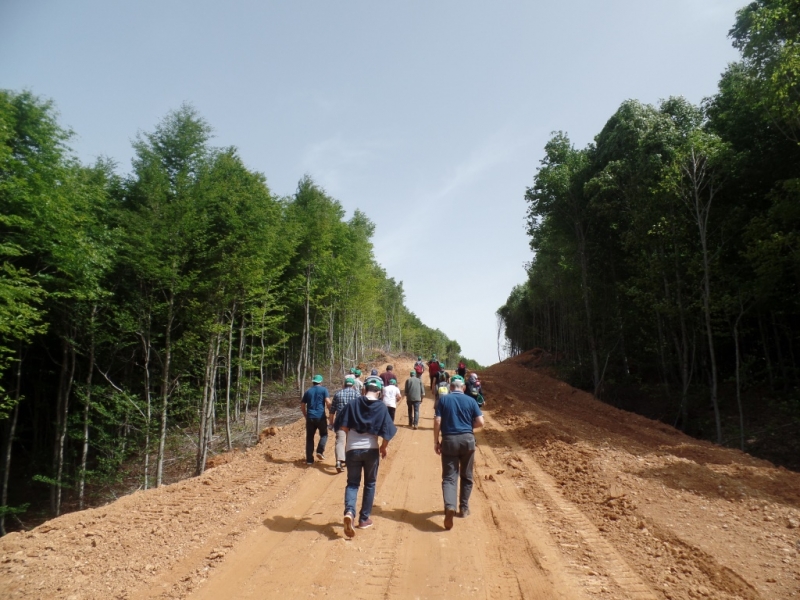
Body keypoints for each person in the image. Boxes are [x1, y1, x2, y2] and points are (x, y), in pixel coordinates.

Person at [334, 376, 397, 536]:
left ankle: (349, 512)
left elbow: (342, 426)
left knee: (353, 484)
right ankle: (364, 519)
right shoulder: (381, 407)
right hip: (371, 450)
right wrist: (384, 446)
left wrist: (352, 433)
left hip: (352, 449)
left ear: (364, 389)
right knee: (370, 484)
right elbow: (389, 431)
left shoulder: (353, 403)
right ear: (379, 392)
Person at [433, 375, 484, 530]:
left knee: (449, 478)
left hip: (449, 440)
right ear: (463, 387)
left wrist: (436, 441)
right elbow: (481, 422)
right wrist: (468, 428)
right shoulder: (471, 401)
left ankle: (450, 506)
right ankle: (464, 507)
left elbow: (437, 421)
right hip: (468, 440)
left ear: (451, 387)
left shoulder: (443, 400)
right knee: (467, 476)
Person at [329, 376, 360, 472]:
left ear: (344, 385)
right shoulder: (357, 394)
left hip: (340, 421)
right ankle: (350, 460)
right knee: (351, 441)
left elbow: (332, 411)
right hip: (352, 421)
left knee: (340, 441)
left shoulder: (338, 394)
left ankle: (339, 461)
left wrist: (331, 423)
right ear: (353, 385)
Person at [301, 374, 331, 465]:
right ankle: (319, 451)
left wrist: (306, 415)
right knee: (324, 434)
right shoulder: (324, 390)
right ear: (321, 382)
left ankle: (309, 460)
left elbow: (302, 405)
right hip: (320, 417)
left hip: (310, 417)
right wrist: (331, 413)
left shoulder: (308, 391)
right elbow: (328, 402)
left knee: (310, 438)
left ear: (313, 382)